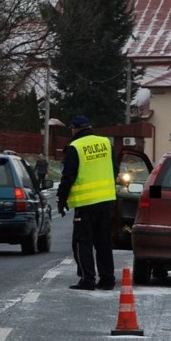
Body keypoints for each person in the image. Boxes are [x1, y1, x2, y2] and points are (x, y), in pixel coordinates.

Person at [56, 115, 117, 291]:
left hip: (86, 204)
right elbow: (114, 169)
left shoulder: (75, 147)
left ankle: (87, 279)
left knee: (82, 242)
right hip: (106, 201)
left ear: (75, 129)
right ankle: (107, 279)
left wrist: (61, 198)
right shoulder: (105, 143)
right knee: (104, 243)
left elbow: (68, 176)